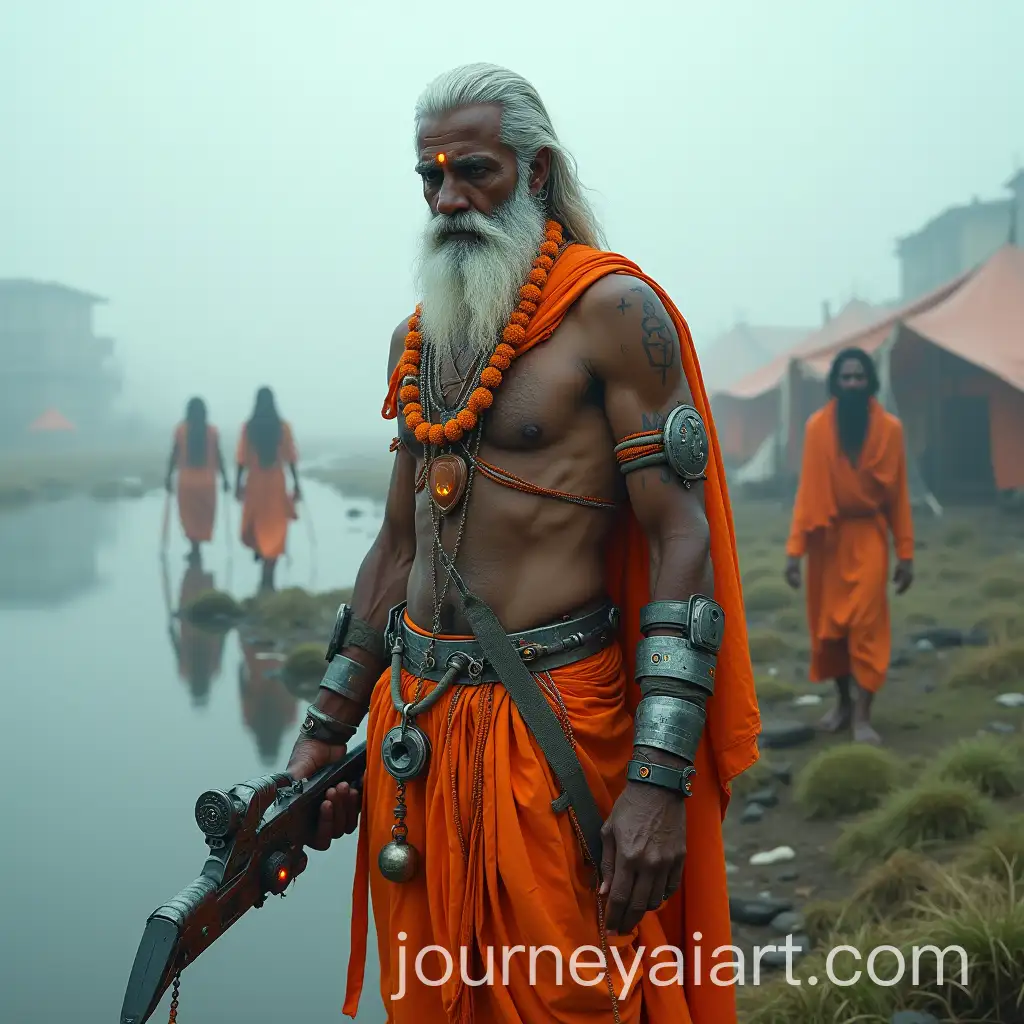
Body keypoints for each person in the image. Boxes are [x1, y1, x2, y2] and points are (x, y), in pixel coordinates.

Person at [285, 64, 759, 1023]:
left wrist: (658, 782)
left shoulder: (617, 316)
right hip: (415, 731)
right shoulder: (416, 342)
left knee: (578, 1003)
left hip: (556, 729)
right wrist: (320, 736)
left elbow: (680, 538)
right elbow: (393, 546)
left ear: (537, 172)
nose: (450, 198)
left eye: (477, 172)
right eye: (431, 178)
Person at [784, 347, 914, 745]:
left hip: (869, 536)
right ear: (836, 383)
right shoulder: (816, 428)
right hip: (827, 540)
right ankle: (841, 703)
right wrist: (794, 552)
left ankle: (862, 715)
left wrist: (905, 553)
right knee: (830, 631)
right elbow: (807, 493)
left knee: (867, 625)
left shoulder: (891, 430)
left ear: (870, 382)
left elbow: (899, 498)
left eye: (859, 377)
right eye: (846, 377)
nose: (853, 384)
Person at [235, 386, 301, 591]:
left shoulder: (249, 427)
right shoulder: (283, 427)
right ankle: (268, 576)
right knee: (275, 528)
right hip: (275, 484)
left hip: (255, 483)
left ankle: (265, 569)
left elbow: (242, 459)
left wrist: (237, 482)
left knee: (257, 524)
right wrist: (297, 484)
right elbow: (290, 458)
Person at [165, 397, 229, 562]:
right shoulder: (212, 431)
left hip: (187, 482)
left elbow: (174, 454)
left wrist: (168, 475)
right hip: (208, 482)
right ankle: (197, 548)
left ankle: (195, 548)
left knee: (190, 517)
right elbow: (219, 456)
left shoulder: (181, 431)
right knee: (203, 517)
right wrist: (226, 478)